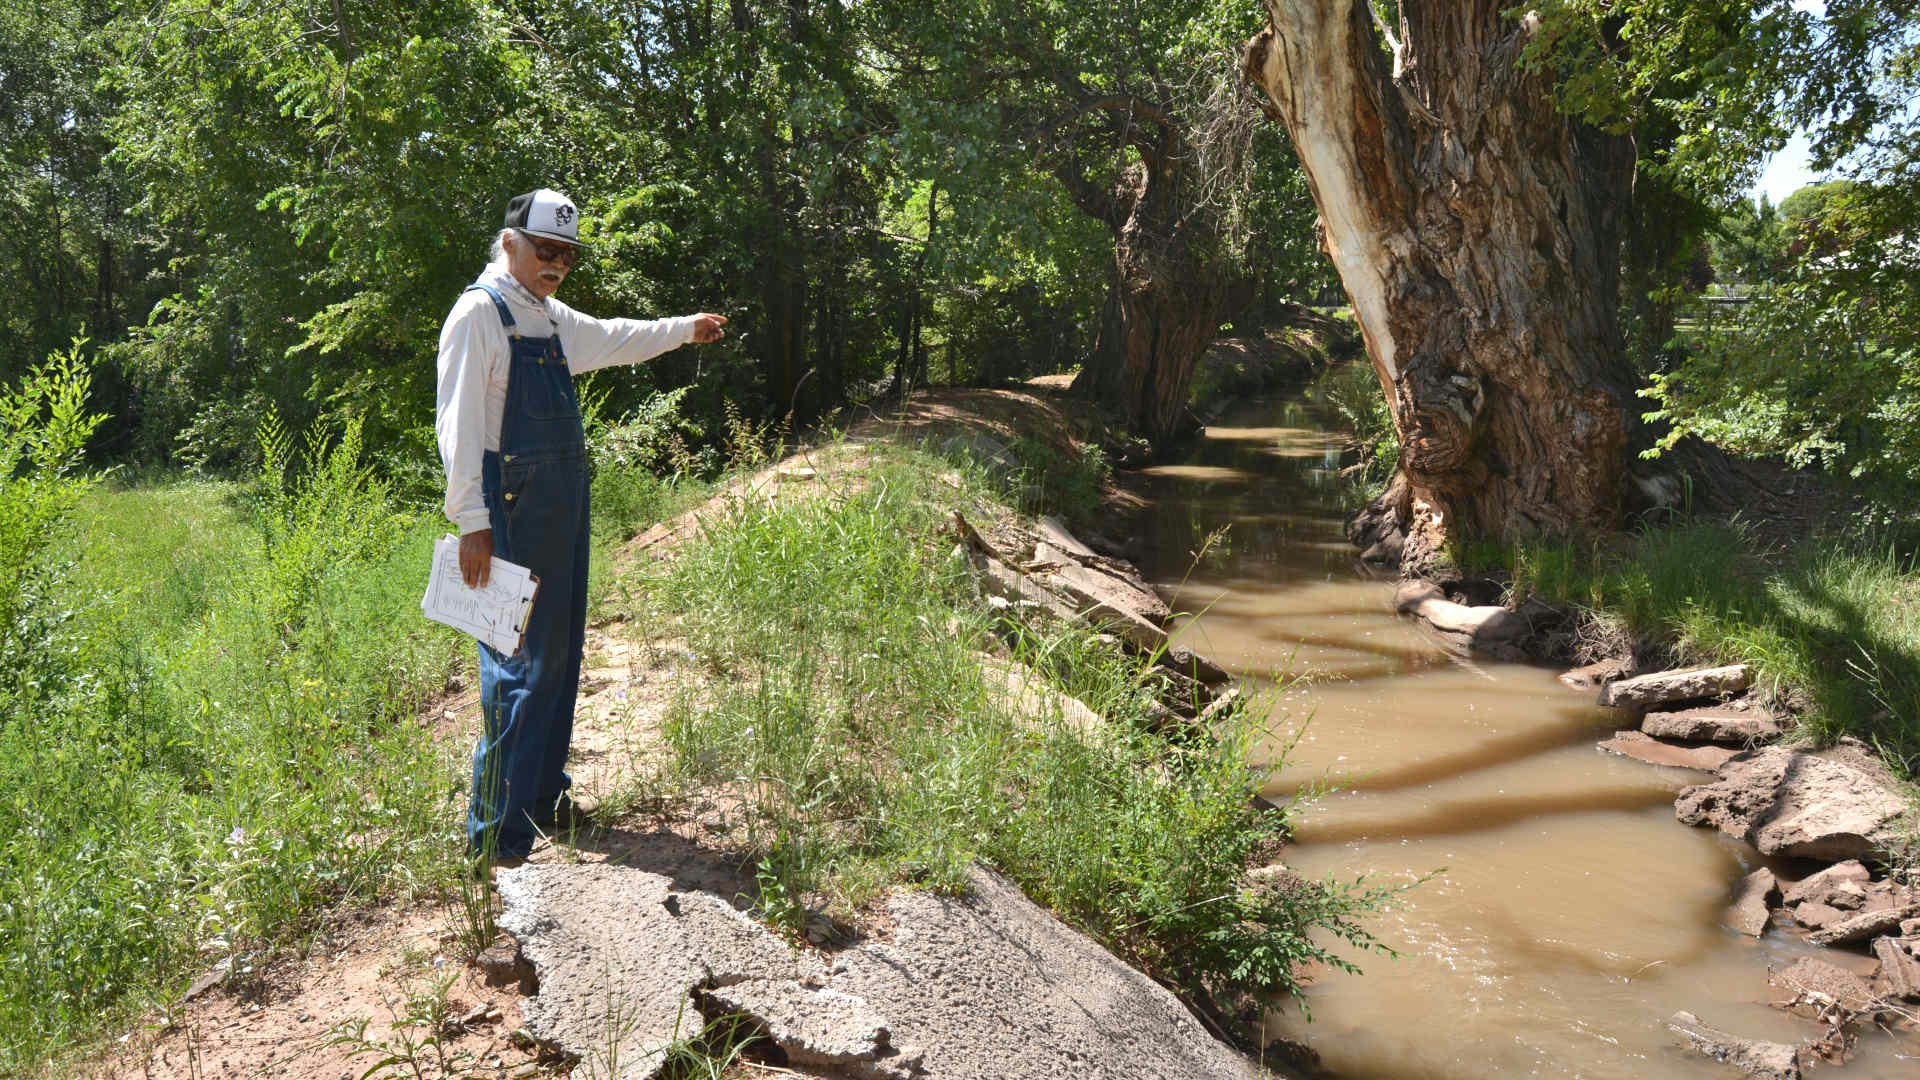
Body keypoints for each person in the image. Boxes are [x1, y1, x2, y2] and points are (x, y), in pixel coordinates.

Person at [435, 187, 726, 861]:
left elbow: (617, 337)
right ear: (511, 244)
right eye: (547, 250)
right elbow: (458, 427)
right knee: (516, 662)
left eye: (567, 254)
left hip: (561, 504)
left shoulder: (546, 316)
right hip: (506, 513)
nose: (558, 264)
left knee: (558, 655)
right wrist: (472, 521)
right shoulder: (480, 316)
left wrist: (685, 328)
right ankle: (495, 838)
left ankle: (540, 803)